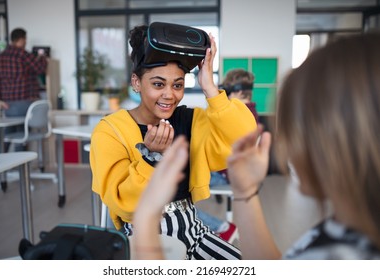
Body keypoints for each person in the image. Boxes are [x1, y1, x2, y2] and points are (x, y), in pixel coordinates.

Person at [133, 32, 380, 260]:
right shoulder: (347, 229)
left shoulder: (344, 255)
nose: (289, 148)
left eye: (297, 129)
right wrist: (245, 192)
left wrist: (145, 220)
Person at [90, 23, 257, 260]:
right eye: (158, 84)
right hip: (143, 239)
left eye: (178, 85)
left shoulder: (190, 121)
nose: (170, 95)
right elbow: (124, 205)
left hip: (194, 231)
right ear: (136, 82)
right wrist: (151, 159)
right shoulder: (110, 131)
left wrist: (209, 86)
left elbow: (245, 139)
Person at [196, 68, 258, 242]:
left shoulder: (238, 117)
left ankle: (221, 227)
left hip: (227, 175)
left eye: (225, 92)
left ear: (237, 92)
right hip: (231, 172)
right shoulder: (250, 113)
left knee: (176, 194)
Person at [0, 27, 48, 149]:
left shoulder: (0, 57)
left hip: (8, 105)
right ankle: (20, 166)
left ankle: (1, 163)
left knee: (8, 133)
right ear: (21, 39)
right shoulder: (23, 54)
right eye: (25, 39)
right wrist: (42, 56)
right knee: (22, 135)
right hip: (24, 103)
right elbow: (40, 68)